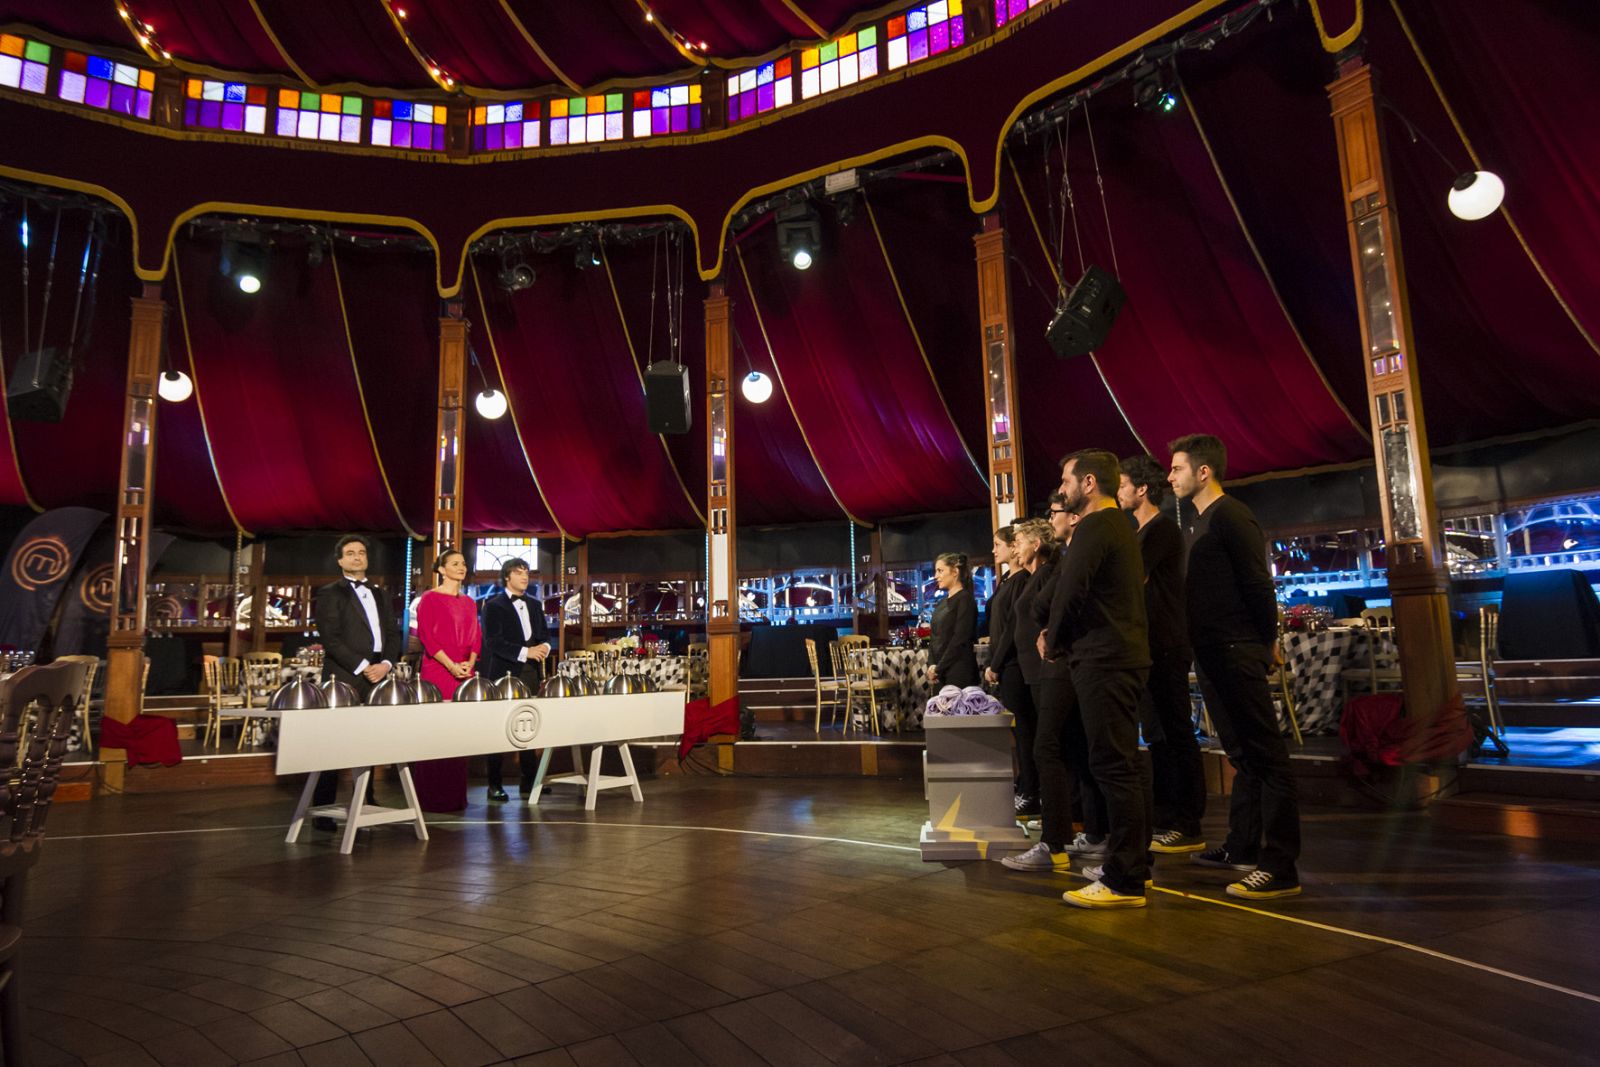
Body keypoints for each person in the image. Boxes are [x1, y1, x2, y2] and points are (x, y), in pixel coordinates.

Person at [1168, 434, 1303, 899]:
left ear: (1203, 471)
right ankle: (1243, 847)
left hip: (1236, 647)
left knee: (1267, 757)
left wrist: (1266, 643)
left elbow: (1259, 585)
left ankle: (1281, 865)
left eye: (1177, 468)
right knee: (1242, 756)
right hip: (1211, 651)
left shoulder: (1231, 515)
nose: (1170, 476)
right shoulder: (1199, 522)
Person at [1043, 450, 1152, 909]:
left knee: (1113, 765)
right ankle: (1130, 865)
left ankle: (1125, 878)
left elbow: (1071, 592)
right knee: (1120, 764)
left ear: (1089, 483)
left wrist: (1054, 638)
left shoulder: (1093, 527)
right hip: (1118, 656)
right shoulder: (1118, 527)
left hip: (1103, 660)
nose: (1061, 489)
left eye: (1067, 480)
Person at [1003, 499, 1106, 874]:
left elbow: (1052, 604)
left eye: (1054, 512)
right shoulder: (1060, 562)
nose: (1051, 519)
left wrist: (1049, 629)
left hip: (1061, 665)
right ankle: (1090, 833)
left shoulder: (1064, 562)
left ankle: (1057, 841)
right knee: (1071, 748)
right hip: (1052, 666)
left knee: (1051, 747)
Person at [1120, 454, 1206, 854]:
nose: (1117, 492)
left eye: (1121, 485)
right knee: (1157, 733)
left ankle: (1187, 821)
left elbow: (1130, 580)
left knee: (1175, 732)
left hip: (1168, 642)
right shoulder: (1141, 531)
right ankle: (1168, 815)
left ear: (1141, 489)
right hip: (1150, 644)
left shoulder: (1160, 531)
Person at [310, 535, 402, 828]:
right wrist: (364, 667)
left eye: (361, 552)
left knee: (371, 737)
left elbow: (391, 632)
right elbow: (331, 639)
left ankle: (367, 797)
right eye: (350, 553)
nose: (357, 557)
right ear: (340, 560)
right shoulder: (328, 593)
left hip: (378, 673)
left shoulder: (380, 593)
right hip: (345, 674)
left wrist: (385, 664)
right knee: (332, 740)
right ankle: (323, 808)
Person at [414, 547, 481, 813]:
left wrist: (469, 664)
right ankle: (431, 798)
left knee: (458, 734)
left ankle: (455, 797)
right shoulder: (429, 599)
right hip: (439, 669)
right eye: (455, 563)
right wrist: (451, 666)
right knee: (436, 732)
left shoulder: (469, 602)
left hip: (464, 670)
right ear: (441, 569)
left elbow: (477, 635)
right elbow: (428, 638)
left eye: (463, 563)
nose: (461, 567)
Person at [480, 556, 551, 803]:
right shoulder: (493, 605)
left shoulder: (534, 604)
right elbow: (493, 642)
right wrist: (525, 652)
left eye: (526, 572)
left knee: (529, 725)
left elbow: (543, 635)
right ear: (507, 577)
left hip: (531, 671)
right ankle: (494, 784)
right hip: (503, 672)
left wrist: (543, 648)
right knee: (498, 729)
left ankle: (529, 781)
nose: (524, 577)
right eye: (519, 572)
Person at [984, 525, 1037, 819]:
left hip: (1015, 664)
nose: (995, 550)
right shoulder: (1006, 580)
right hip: (1005, 664)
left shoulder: (1021, 581)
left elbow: (1012, 629)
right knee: (1018, 731)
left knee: (1025, 730)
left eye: (998, 544)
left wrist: (997, 662)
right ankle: (1023, 784)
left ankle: (1031, 790)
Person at [926, 552, 978, 689]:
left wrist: (939, 667)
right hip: (941, 672)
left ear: (955, 572)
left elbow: (960, 639)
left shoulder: (965, 599)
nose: (936, 576)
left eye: (940, 571)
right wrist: (931, 664)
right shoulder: (942, 602)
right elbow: (934, 636)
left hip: (959, 671)